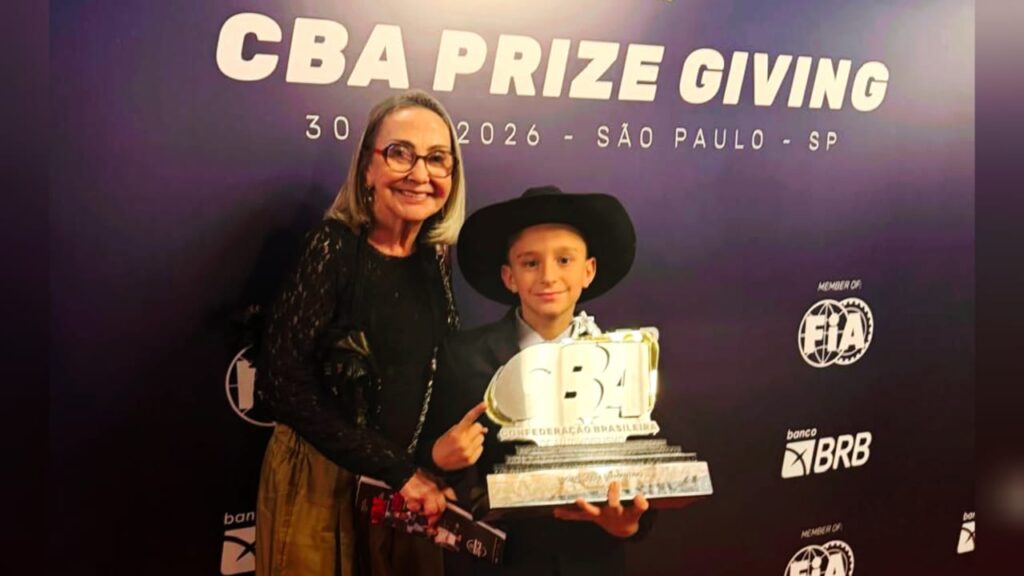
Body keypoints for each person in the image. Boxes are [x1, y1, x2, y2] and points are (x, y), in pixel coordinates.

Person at [255, 90, 466, 576]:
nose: (419, 174)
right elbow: (280, 383)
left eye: (437, 159)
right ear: (367, 169)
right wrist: (396, 470)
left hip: (404, 485)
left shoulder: (436, 258)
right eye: (400, 153)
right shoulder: (331, 247)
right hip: (321, 482)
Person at [419, 186, 653, 576]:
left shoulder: (625, 359)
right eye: (530, 263)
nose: (548, 276)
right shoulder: (463, 356)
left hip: (592, 561)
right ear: (509, 277)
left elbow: (645, 467)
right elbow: (430, 459)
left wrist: (631, 525)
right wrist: (437, 457)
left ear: (588, 271)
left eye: (564, 260)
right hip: (500, 562)